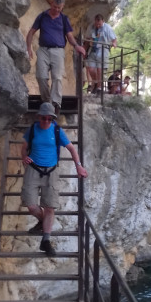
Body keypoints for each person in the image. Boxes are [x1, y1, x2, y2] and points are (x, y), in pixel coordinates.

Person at [21, 101, 88, 256]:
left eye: (49, 119)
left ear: (52, 119)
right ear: (39, 117)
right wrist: (24, 157)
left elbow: (71, 148)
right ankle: (42, 222)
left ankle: (46, 240)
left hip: (51, 171)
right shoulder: (32, 130)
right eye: (43, 118)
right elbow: (24, 148)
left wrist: (78, 166)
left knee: (50, 207)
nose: (46, 121)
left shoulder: (57, 131)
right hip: (33, 169)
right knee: (31, 205)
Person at [26, 0, 85, 116]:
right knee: (41, 76)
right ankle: (47, 101)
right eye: (55, 6)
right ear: (51, 3)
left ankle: (55, 104)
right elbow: (31, 32)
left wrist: (76, 46)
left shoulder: (64, 19)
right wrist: (28, 48)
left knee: (57, 78)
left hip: (58, 51)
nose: (56, 9)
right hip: (43, 49)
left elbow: (69, 36)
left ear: (62, 7)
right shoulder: (42, 16)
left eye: (59, 7)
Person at [85, 14, 117, 93]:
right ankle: (95, 82)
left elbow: (114, 38)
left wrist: (114, 43)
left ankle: (99, 87)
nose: (98, 25)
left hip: (103, 49)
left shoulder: (107, 28)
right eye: (97, 24)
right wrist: (85, 49)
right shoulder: (92, 27)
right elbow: (88, 39)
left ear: (103, 21)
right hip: (93, 49)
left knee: (100, 70)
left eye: (99, 24)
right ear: (95, 21)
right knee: (90, 68)